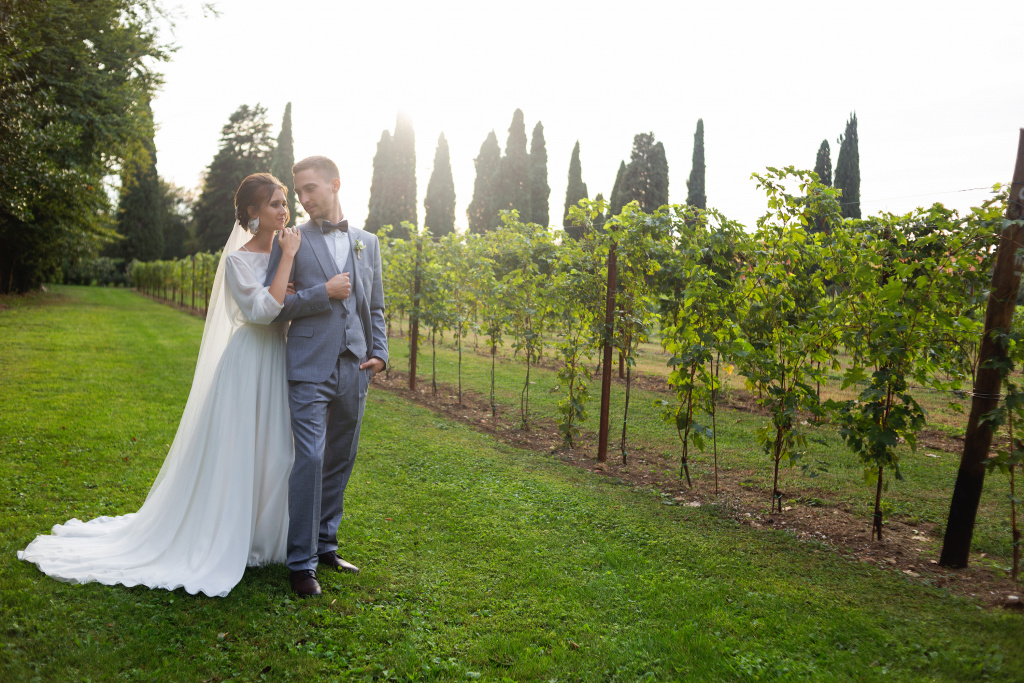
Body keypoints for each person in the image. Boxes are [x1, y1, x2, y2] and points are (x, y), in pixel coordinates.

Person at [17, 173, 348, 598]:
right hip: (251, 359)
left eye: (285, 203)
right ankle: (225, 533)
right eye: (275, 204)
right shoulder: (240, 260)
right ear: (252, 211)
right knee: (238, 449)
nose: (285, 211)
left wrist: (297, 275)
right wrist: (287, 261)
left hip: (282, 359)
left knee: (280, 451)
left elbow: (296, 302)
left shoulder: (292, 249)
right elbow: (264, 311)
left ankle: (269, 537)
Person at [264, 156, 388, 597]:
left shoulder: (367, 242)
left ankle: (325, 545)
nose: (302, 199)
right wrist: (323, 293)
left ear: (335, 184)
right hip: (308, 365)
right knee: (311, 459)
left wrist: (380, 353)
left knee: (341, 457)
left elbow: (375, 306)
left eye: (310, 189)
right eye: (298, 192)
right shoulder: (290, 241)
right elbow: (274, 306)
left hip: (355, 365)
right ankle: (301, 564)